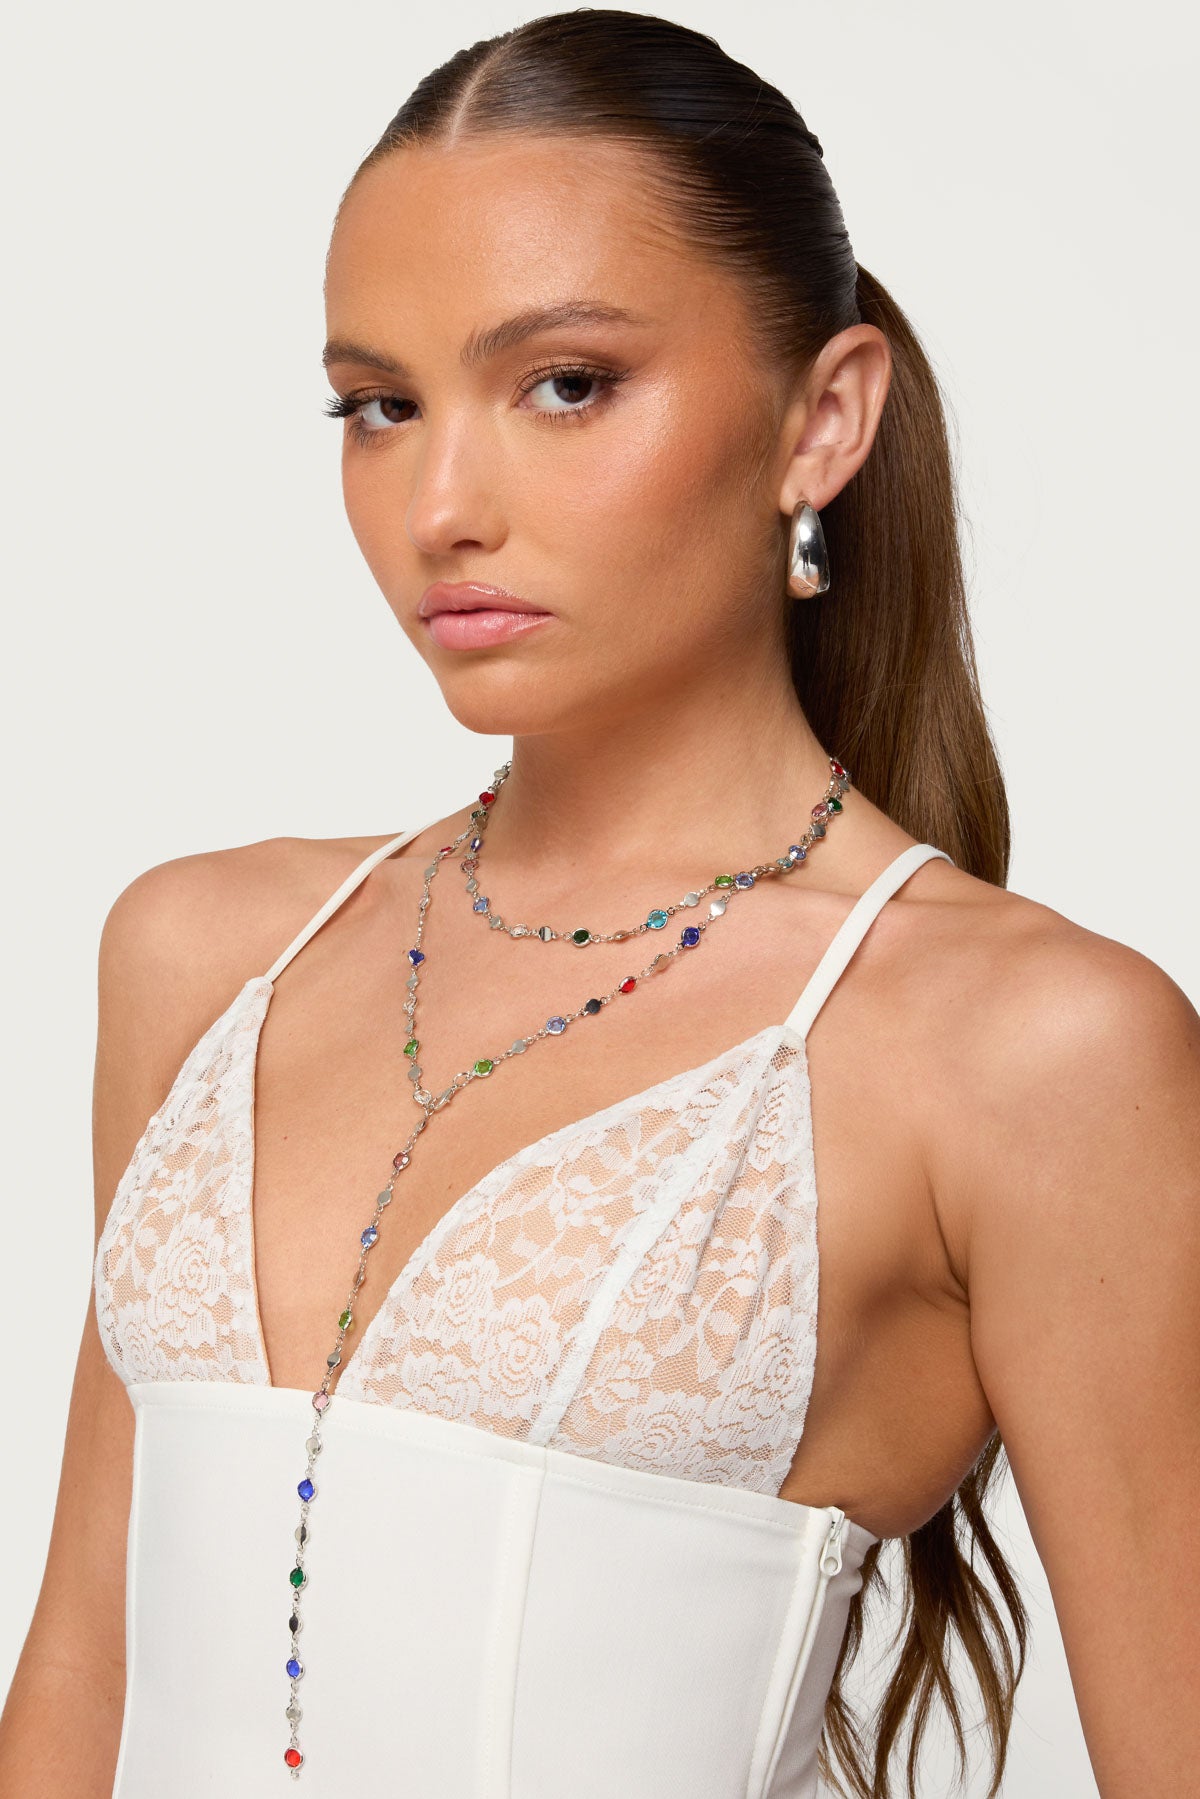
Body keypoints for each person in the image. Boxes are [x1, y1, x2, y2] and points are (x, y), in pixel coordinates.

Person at [3, 9, 1197, 1796]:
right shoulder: (203, 953)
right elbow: (80, 1667)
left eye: (565, 384)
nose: (441, 504)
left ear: (822, 420)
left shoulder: (1026, 1052)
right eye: (379, 406)